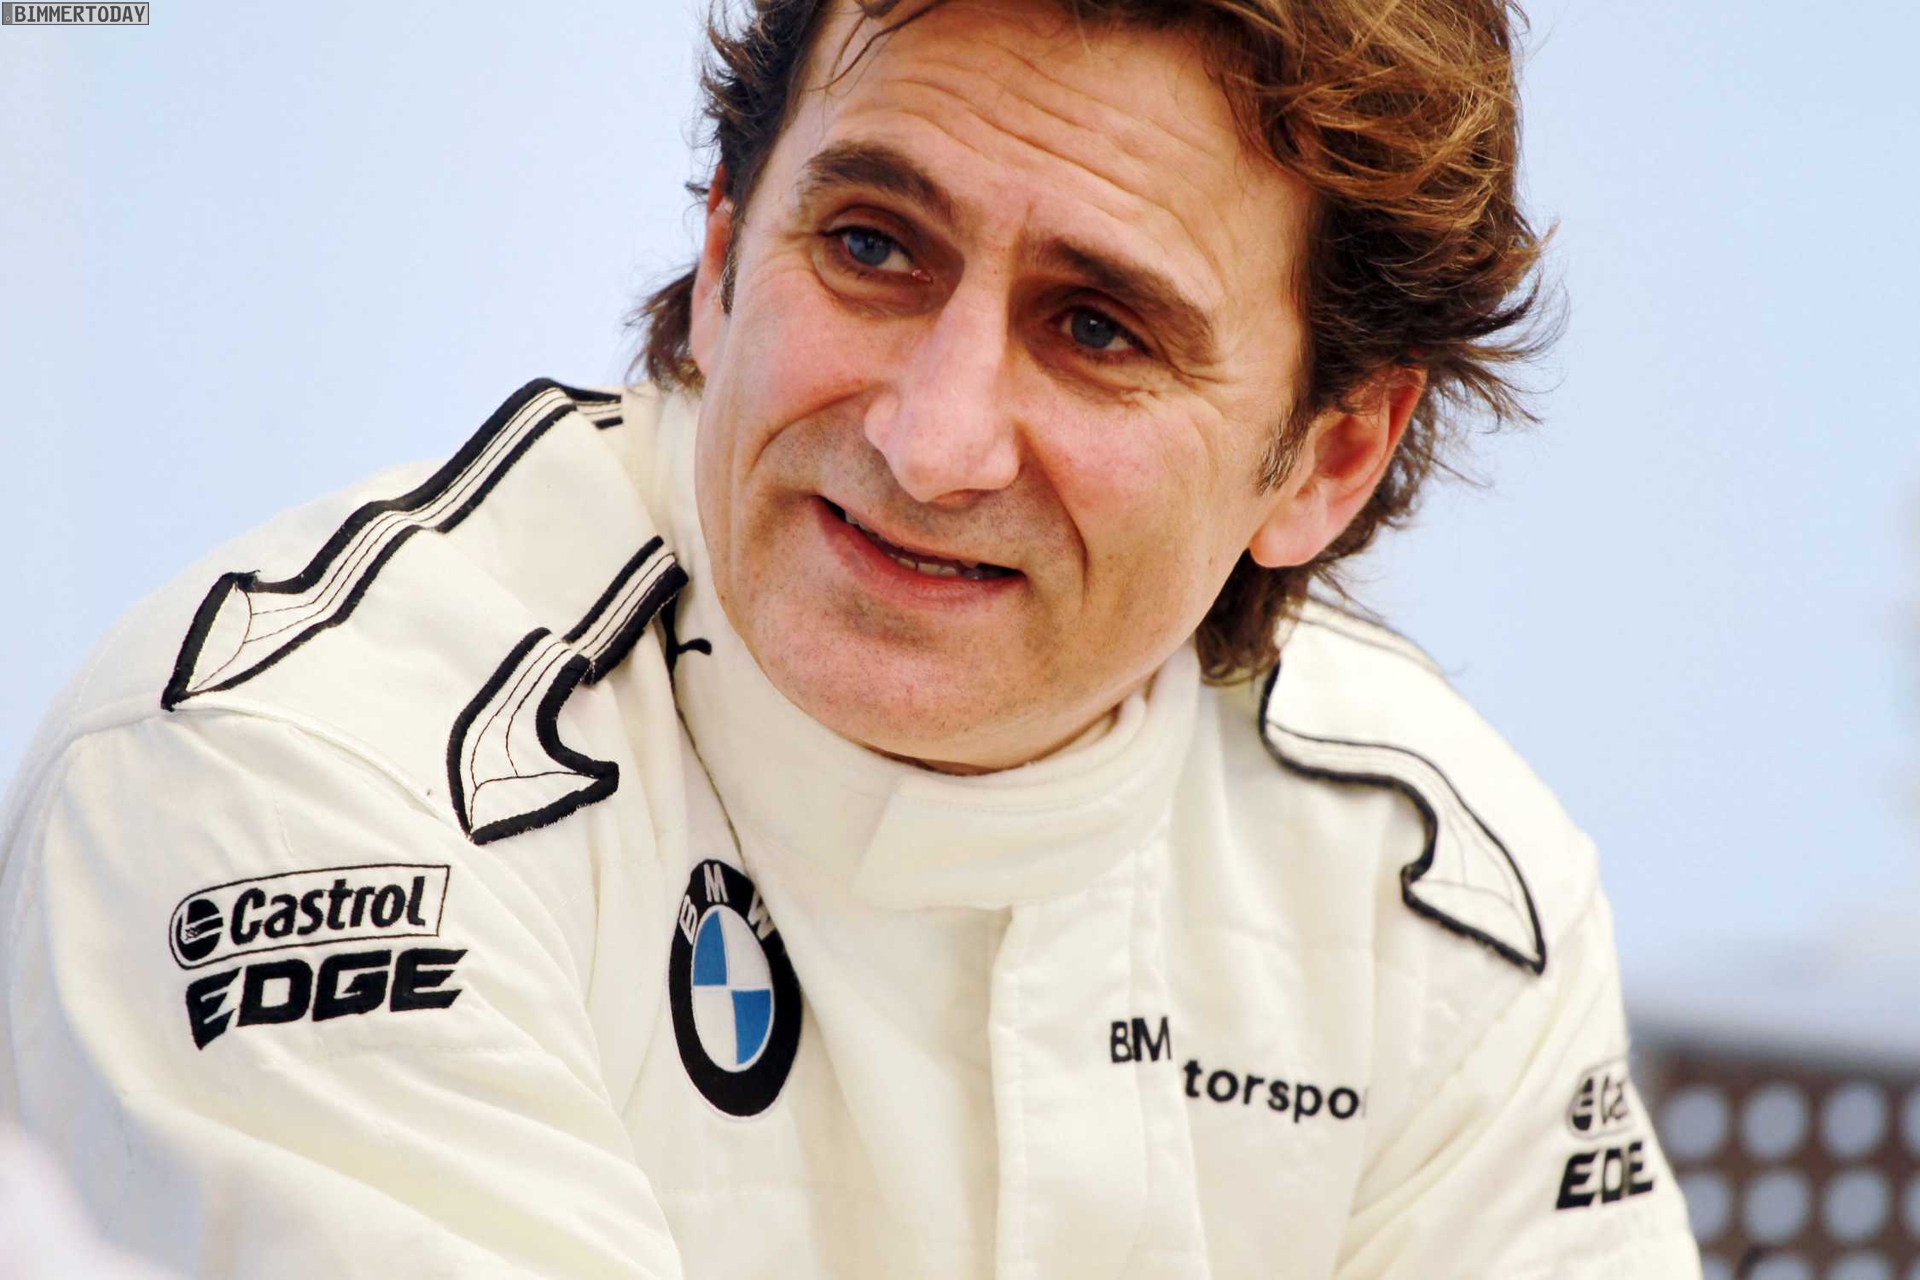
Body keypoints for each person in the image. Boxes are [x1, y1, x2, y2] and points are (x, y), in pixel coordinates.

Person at [0, 0, 1702, 1275]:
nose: (930, 439)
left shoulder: (1442, 890)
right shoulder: (296, 776)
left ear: (1330, 456)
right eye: (874, 246)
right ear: (724, 252)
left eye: (1098, 329)